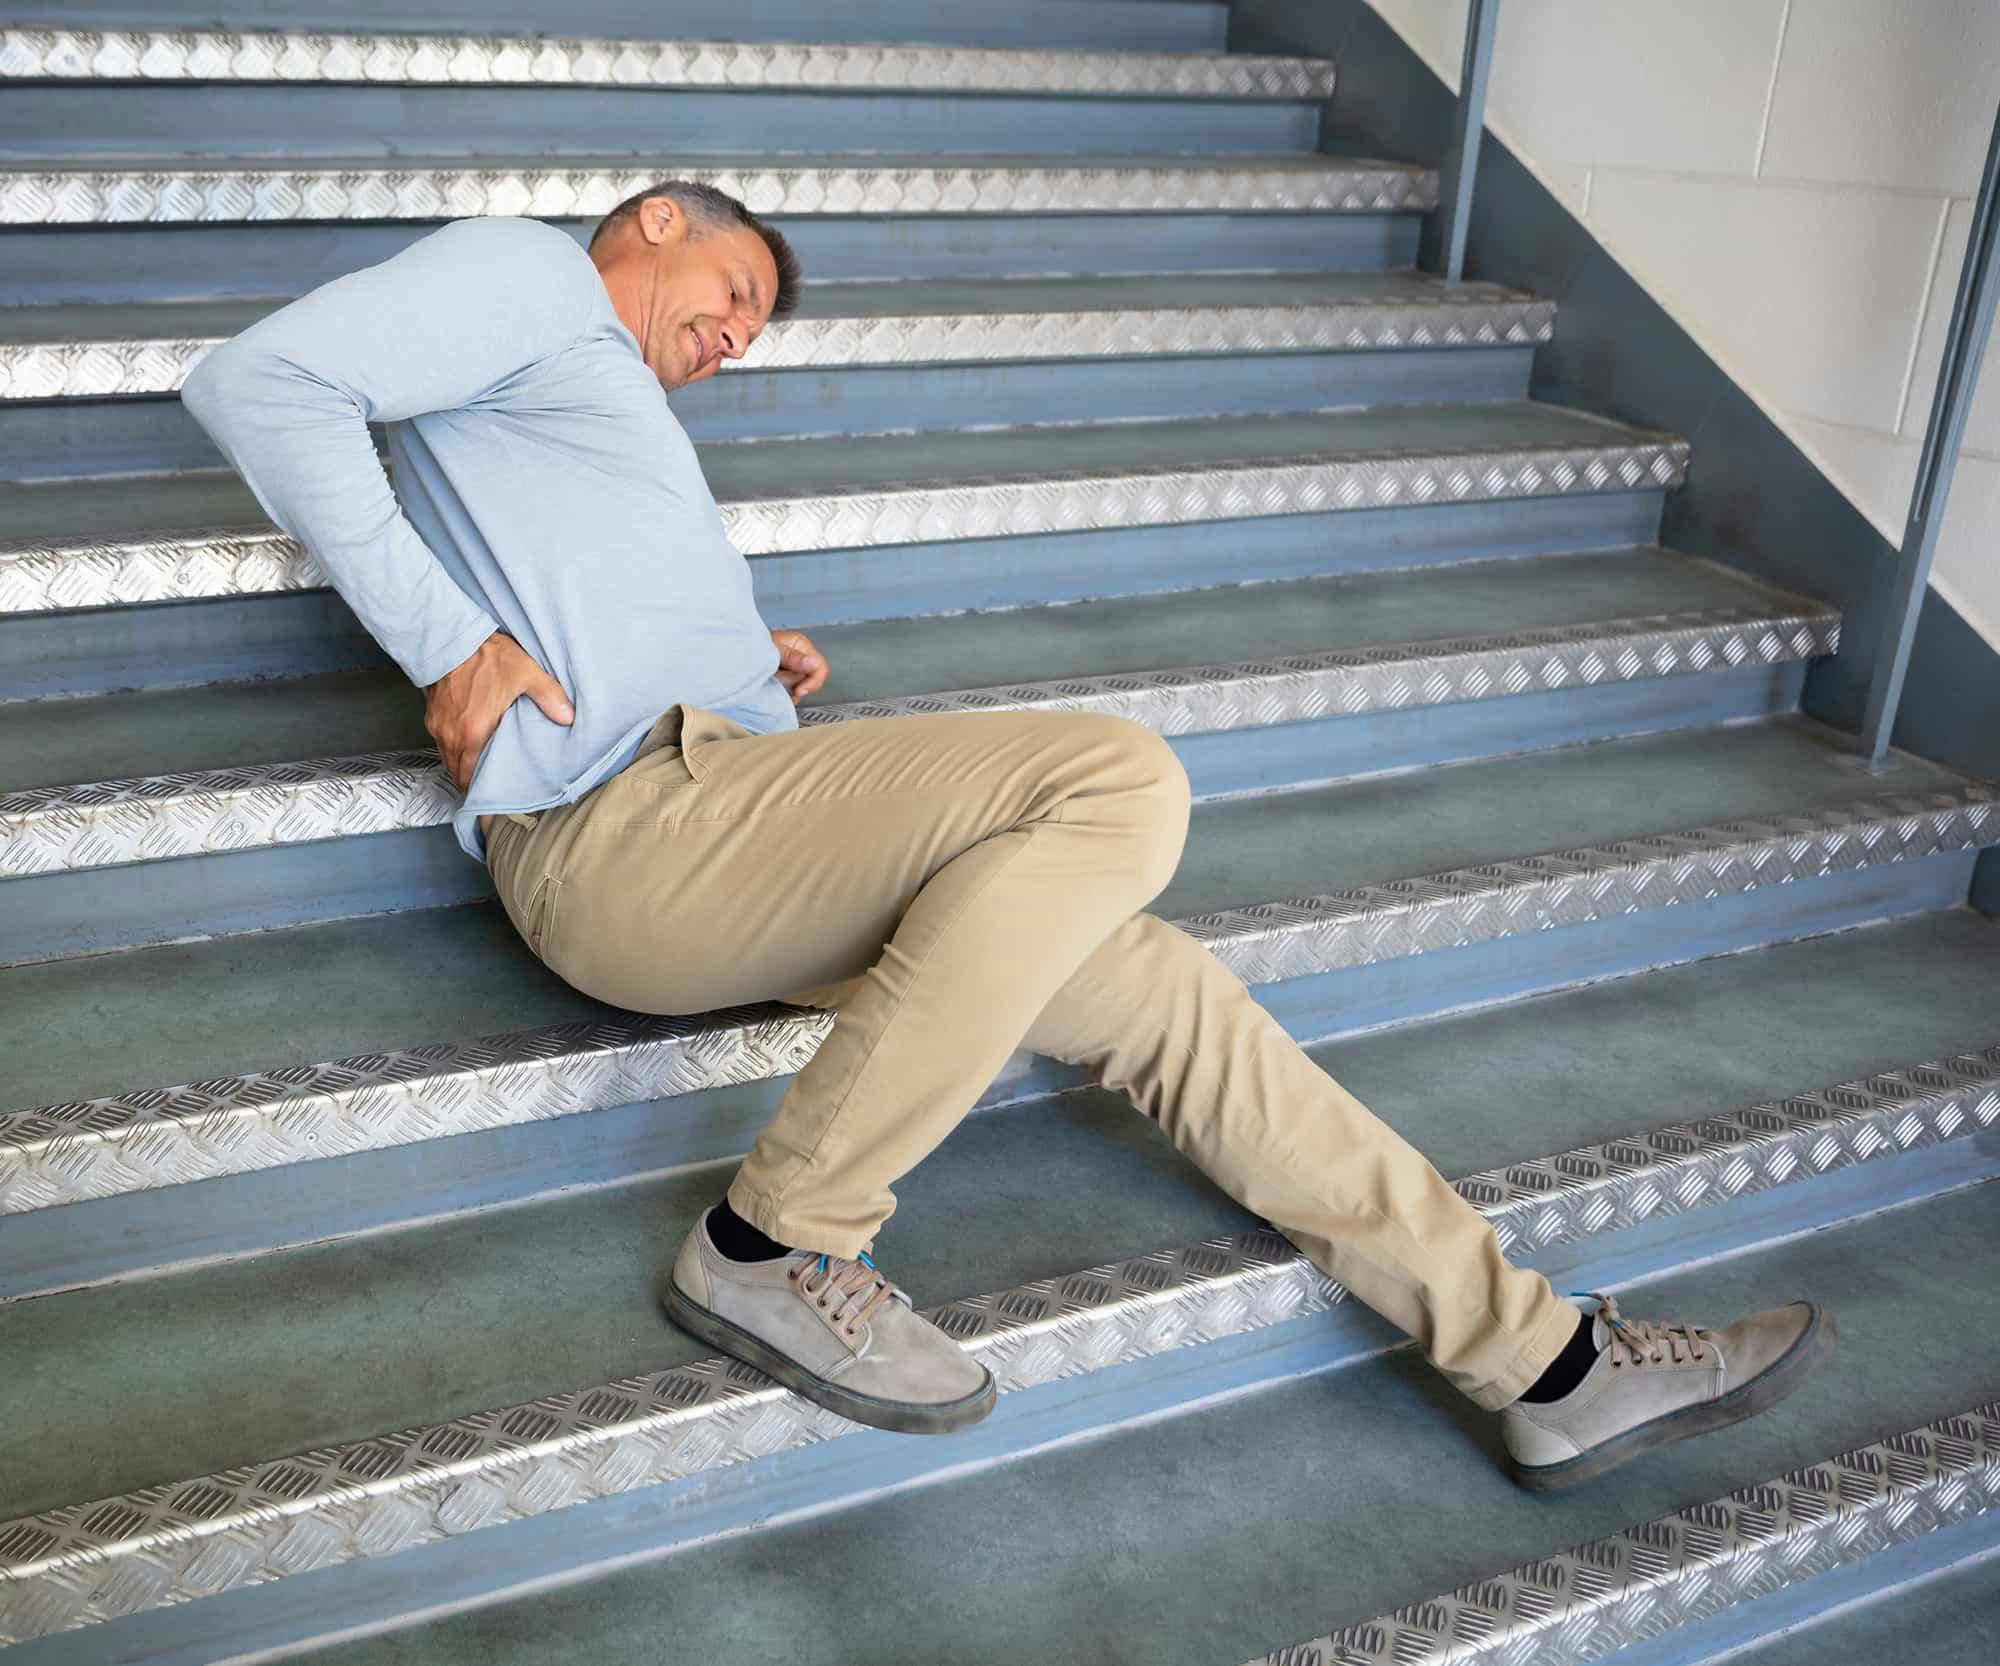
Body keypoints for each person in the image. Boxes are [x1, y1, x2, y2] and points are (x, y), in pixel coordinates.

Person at [181, 183, 1834, 1490]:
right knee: (1120, 778)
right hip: (623, 832)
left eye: (754, 332)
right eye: (737, 294)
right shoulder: (536, 275)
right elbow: (263, 377)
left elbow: (576, 588)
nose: (737, 336)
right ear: (657, 223)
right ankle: (779, 1235)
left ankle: (1546, 1364)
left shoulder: (588, 401)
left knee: (1168, 995)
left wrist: (746, 667)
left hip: (719, 805)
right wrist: (441, 643)